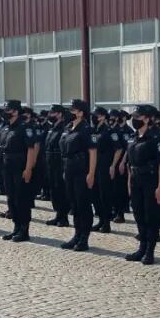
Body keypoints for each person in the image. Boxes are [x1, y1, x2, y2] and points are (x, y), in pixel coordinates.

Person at [124, 104, 160, 265]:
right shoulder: (133, 138)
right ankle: (141, 247)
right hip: (136, 180)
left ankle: (150, 250)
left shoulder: (156, 139)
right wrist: (129, 182)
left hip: (150, 181)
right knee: (138, 214)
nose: (134, 119)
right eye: (134, 116)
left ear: (147, 119)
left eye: (138, 117)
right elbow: (130, 163)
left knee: (151, 216)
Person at [59, 99, 97, 251]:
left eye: (73, 110)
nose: (70, 113)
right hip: (69, 169)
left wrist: (91, 173)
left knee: (83, 205)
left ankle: (84, 239)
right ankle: (76, 234)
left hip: (82, 171)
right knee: (74, 204)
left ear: (81, 113)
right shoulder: (68, 127)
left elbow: (93, 153)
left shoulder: (87, 129)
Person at [0, 100, 37, 242]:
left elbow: (31, 149)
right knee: (11, 198)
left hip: (20, 167)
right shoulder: (6, 127)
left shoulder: (25, 127)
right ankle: (16, 227)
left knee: (22, 199)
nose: (5, 113)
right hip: (7, 166)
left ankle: (24, 230)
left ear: (15, 111)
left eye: (8, 110)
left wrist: (28, 169)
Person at [90, 106, 118, 233]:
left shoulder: (109, 131)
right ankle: (101, 220)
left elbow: (119, 149)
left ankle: (106, 223)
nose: (93, 117)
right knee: (95, 195)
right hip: (95, 167)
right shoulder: (95, 130)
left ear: (102, 116)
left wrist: (113, 165)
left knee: (104, 195)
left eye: (96, 115)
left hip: (105, 166)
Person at [45, 104, 71, 227]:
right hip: (50, 162)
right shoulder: (52, 128)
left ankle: (63, 217)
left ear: (60, 114)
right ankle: (58, 215)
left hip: (59, 162)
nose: (50, 115)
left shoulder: (64, 128)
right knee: (54, 190)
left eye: (53, 113)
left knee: (61, 190)